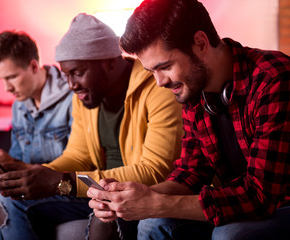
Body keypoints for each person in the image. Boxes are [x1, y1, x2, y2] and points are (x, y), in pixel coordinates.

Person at [87, 0, 290, 239]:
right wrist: (137, 196)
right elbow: (190, 173)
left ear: (200, 43)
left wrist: (155, 204)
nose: (160, 82)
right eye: (151, 71)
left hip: (280, 204)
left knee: (230, 235)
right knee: (153, 225)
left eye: (165, 66)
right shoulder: (194, 90)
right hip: (244, 203)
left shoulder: (274, 79)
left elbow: (259, 197)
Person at [0, 13, 183, 239]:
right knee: (11, 198)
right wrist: (39, 173)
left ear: (110, 62)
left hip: (136, 194)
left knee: (12, 204)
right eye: (66, 75)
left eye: (78, 73)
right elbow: (78, 155)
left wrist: (61, 181)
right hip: (97, 191)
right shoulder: (85, 96)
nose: (71, 85)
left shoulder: (157, 90)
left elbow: (154, 171)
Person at [0, 30, 73, 221]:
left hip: (59, 188)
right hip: (23, 185)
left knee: (9, 204)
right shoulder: (19, 105)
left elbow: (78, 166)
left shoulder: (73, 98)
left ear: (34, 66)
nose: (6, 88)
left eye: (11, 77)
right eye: (1, 79)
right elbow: (18, 161)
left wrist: (14, 165)